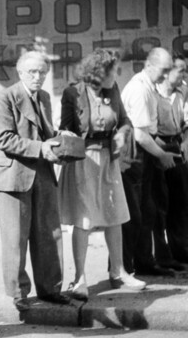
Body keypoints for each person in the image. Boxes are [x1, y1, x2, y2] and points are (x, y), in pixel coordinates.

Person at [58, 49, 146, 300]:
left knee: (115, 215)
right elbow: (65, 128)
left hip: (109, 160)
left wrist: (121, 133)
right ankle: (79, 279)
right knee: (84, 220)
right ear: (99, 72)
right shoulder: (72, 93)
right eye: (113, 70)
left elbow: (125, 121)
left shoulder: (113, 89)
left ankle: (119, 272)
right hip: (83, 161)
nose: (116, 74)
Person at [0, 51, 70, 312]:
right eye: (32, 72)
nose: (38, 77)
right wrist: (42, 148)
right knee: (16, 238)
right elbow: (4, 139)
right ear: (20, 73)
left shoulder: (44, 97)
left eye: (42, 72)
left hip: (42, 172)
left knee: (50, 234)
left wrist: (60, 142)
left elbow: (45, 132)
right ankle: (18, 293)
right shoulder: (5, 97)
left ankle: (50, 289)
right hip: (14, 174)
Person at [120, 47, 180, 276]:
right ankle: (122, 268)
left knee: (147, 210)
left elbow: (148, 132)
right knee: (131, 214)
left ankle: (144, 262)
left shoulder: (148, 86)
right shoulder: (140, 90)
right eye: (163, 71)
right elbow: (140, 135)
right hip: (132, 152)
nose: (166, 76)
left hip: (143, 150)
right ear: (149, 65)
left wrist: (165, 148)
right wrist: (162, 155)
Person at [152, 56, 188, 268]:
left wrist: (184, 141)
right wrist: (161, 150)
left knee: (181, 200)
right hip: (156, 145)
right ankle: (161, 256)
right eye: (181, 70)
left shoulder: (183, 91)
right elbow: (145, 127)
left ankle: (180, 251)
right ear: (167, 71)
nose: (184, 75)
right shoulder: (153, 93)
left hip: (177, 144)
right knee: (158, 204)